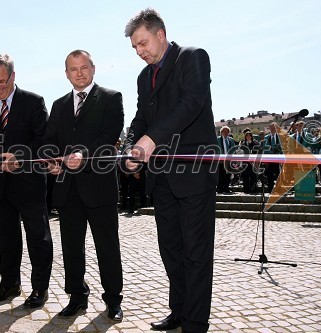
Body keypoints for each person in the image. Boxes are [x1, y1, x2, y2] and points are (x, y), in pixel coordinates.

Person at [123, 8, 218, 333]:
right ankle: (178, 311)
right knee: (172, 252)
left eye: (143, 43)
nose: (140, 51)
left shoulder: (192, 58)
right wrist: (131, 146)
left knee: (196, 253)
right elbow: (140, 119)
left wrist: (151, 140)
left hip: (193, 174)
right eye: (135, 47)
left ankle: (194, 322)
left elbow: (190, 105)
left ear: (160, 35)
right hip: (161, 179)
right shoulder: (143, 77)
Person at [43, 49, 124, 321]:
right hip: (67, 188)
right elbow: (50, 140)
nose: (79, 73)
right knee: (71, 247)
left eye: (83, 67)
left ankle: (113, 300)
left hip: (99, 186)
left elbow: (108, 137)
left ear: (93, 68)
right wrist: (51, 161)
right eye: (73, 69)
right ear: (66, 73)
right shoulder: (59, 104)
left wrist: (83, 156)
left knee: (107, 246)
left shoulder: (112, 98)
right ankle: (77, 297)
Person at [0, 54, 53, 307]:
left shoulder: (33, 102)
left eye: (2, 81)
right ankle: (9, 284)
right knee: (6, 238)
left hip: (29, 183)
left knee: (37, 238)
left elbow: (45, 140)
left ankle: (40, 288)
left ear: (13, 76)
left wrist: (20, 157)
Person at [217, 126, 235, 193]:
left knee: (228, 175)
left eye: (227, 131)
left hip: (228, 161)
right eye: (224, 131)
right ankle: (219, 189)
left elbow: (233, 149)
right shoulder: (217, 139)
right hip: (220, 161)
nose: (226, 132)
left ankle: (226, 188)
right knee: (220, 175)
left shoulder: (231, 140)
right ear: (221, 132)